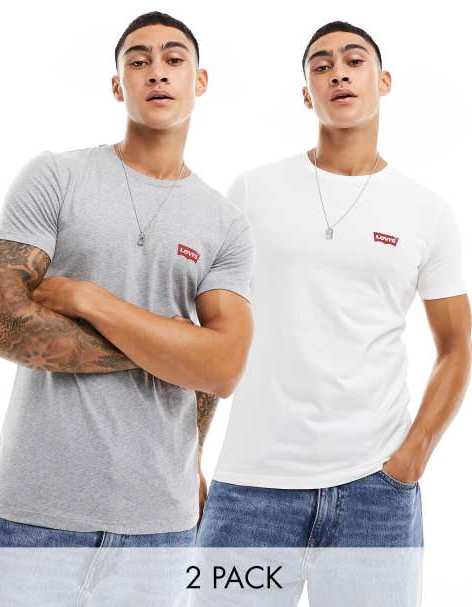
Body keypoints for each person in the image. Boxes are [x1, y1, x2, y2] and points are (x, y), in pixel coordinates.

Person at [194, 20, 471, 606]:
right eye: (321, 66)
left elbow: (456, 346)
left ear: (383, 80)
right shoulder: (252, 191)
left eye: (353, 61)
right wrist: (186, 454)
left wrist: (412, 457)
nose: (338, 73)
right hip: (250, 490)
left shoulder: (426, 211)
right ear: (307, 93)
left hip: (376, 491)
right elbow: (209, 333)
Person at [0, 10, 254, 605]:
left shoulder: (225, 224)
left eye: (173, 59)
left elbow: (222, 371)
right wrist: (176, 350)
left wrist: (93, 301)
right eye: (138, 61)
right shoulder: (55, 176)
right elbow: (5, 323)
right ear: (118, 85)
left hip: (160, 525)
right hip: (35, 513)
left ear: (199, 80)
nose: (156, 72)